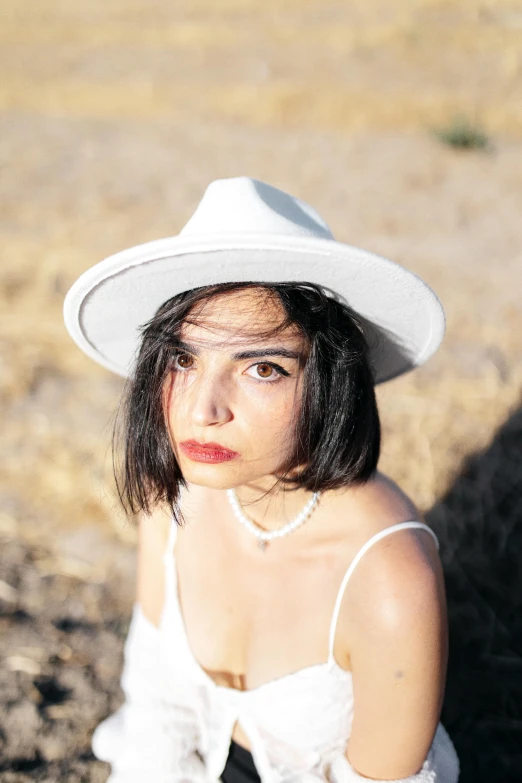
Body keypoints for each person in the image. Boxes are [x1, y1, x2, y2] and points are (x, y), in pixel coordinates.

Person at [63, 177, 460, 782]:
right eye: (183, 359)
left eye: (262, 368)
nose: (202, 409)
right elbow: (157, 710)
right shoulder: (171, 498)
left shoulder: (389, 576)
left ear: (330, 380)